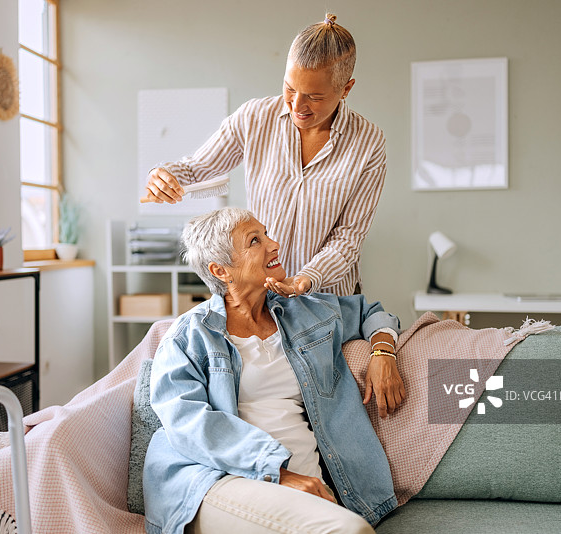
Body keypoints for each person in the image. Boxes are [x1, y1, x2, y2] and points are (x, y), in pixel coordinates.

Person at [143, 207, 405, 534]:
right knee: (349, 531)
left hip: (306, 491)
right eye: (255, 240)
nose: (274, 244)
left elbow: (371, 312)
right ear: (221, 270)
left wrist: (383, 351)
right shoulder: (188, 338)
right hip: (217, 482)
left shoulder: (306, 312)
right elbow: (189, 424)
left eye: (266, 233)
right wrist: (280, 474)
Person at [142, 14, 386, 298]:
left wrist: (306, 279)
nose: (297, 105)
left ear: (346, 89)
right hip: (263, 297)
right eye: (290, 88)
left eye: (314, 97)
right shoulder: (255, 117)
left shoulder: (368, 142)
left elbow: (348, 239)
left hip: (328, 299)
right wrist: (164, 175)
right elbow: (196, 168)